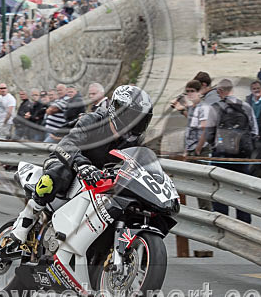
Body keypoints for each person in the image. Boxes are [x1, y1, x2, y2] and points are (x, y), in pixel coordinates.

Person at [8, 85, 154, 244]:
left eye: (140, 119)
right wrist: (82, 164)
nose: (134, 124)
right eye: (131, 117)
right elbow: (66, 145)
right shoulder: (93, 121)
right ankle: (26, 218)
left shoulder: (135, 141)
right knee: (59, 173)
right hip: (68, 160)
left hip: (99, 175)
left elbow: (142, 163)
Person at [205, 79, 258, 223]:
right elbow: (254, 131)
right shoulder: (246, 106)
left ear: (220, 91)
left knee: (220, 190)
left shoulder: (215, 107)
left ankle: (222, 223)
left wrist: (216, 146)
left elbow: (209, 134)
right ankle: (245, 223)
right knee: (242, 191)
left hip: (221, 156)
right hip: (242, 157)